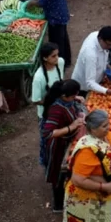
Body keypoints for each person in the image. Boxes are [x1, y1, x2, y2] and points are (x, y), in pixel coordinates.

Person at [40, 79, 86, 212]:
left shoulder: (65, 98)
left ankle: (67, 192)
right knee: (58, 173)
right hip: (57, 145)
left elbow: (72, 101)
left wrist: (76, 98)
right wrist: (71, 127)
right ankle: (58, 205)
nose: (74, 97)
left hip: (67, 141)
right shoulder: (56, 109)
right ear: (64, 96)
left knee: (66, 171)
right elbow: (47, 133)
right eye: (72, 95)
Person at [29, 0, 72, 65]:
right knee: (64, 38)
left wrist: (32, 3)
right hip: (62, 12)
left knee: (56, 41)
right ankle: (67, 60)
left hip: (55, 16)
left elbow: (41, 3)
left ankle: (60, 63)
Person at [31, 42, 67, 118]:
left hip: (61, 108)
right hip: (47, 113)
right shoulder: (39, 77)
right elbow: (35, 100)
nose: (57, 58)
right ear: (45, 58)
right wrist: (51, 103)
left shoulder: (60, 62)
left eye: (57, 54)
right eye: (53, 56)